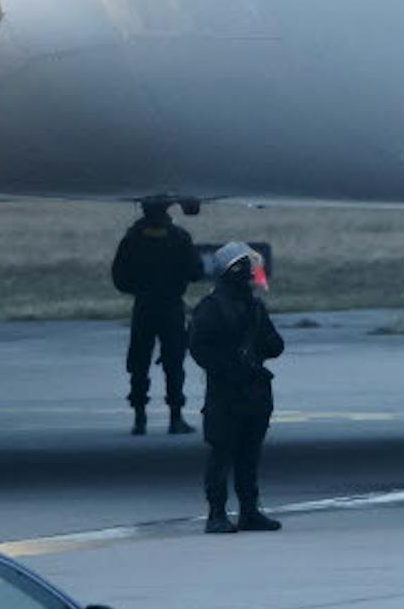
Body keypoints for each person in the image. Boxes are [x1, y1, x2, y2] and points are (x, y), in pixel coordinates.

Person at [190, 241, 285, 534]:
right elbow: (199, 349)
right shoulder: (212, 308)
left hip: (250, 391)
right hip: (228, 393)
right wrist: (231, 367)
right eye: (242, 268)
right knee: (223, 454)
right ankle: (217, 514)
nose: (248, 274)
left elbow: (275, 345)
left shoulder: (253, 307)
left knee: (247, 455)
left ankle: (248, 511)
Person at [111, 200, 199, 436]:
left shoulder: (133, 238)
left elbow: (119, 277)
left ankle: (140, 419)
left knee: (139, 363)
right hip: (170, 306)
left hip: (144, 307)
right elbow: (196, 271)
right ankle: (175, 418)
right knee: (174, 364)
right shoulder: (179, 237)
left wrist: (141, 289)